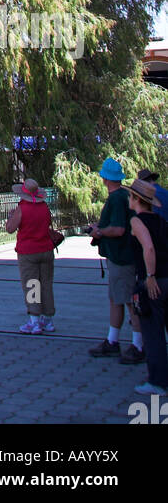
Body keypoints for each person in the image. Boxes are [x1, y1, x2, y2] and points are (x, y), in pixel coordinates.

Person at [87, 157, 144, 364]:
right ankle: (113, 340)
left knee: (129, 300)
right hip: (118, 257)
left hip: (122, 258)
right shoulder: (123, 195)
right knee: (116, 299)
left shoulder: (116, 199)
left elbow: (119, 229)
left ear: (104, 178)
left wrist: (99, 231)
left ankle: (138, 345)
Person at [127, 177, 168, 397]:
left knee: (153, 333)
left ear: (136, 199)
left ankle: (158, 381)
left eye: (130, 196)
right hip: (167, 277)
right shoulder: (161, 220)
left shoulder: (137, 221)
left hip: (152, 282)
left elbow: (148, 248)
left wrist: (150, 275)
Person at [5, 178, 58, 334]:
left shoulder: (22, 208)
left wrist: (10, 217)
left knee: (32, 285)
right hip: (46, 250)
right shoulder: (44, 207)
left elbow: (10, 228)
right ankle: (48, 320)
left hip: (28, 252)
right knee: (46, 284)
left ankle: (34, 321)